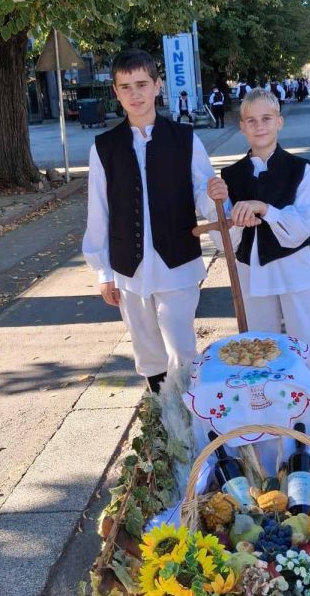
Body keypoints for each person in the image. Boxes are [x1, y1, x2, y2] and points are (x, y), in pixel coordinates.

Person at [82, 49, 215, 394]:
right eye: (125, 87)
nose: (134, 94)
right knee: (149, 354)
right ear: (115, 91)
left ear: (158, 86)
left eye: (142, 84)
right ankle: (165, 425)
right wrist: (103, 272)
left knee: (181, 348)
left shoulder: (185, 139)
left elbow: (203, 191)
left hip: (177, 263)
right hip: (130, 269)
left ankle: (195, 429)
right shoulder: (104, 148)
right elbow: (99, 212)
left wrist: (219, 203)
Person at [201, 88, 310, 382]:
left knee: (305, 336)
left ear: (279, 122)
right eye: (252, 120)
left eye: (267, 118)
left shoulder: (299, 169)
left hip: (291, 265)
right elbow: (224, 233)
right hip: (251, 268)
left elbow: (309, 220)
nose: (260, 126)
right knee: (259, 341)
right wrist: (214, 199)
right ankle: (267, 405)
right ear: (242, 126)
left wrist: (266, 210)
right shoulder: (230, 175)